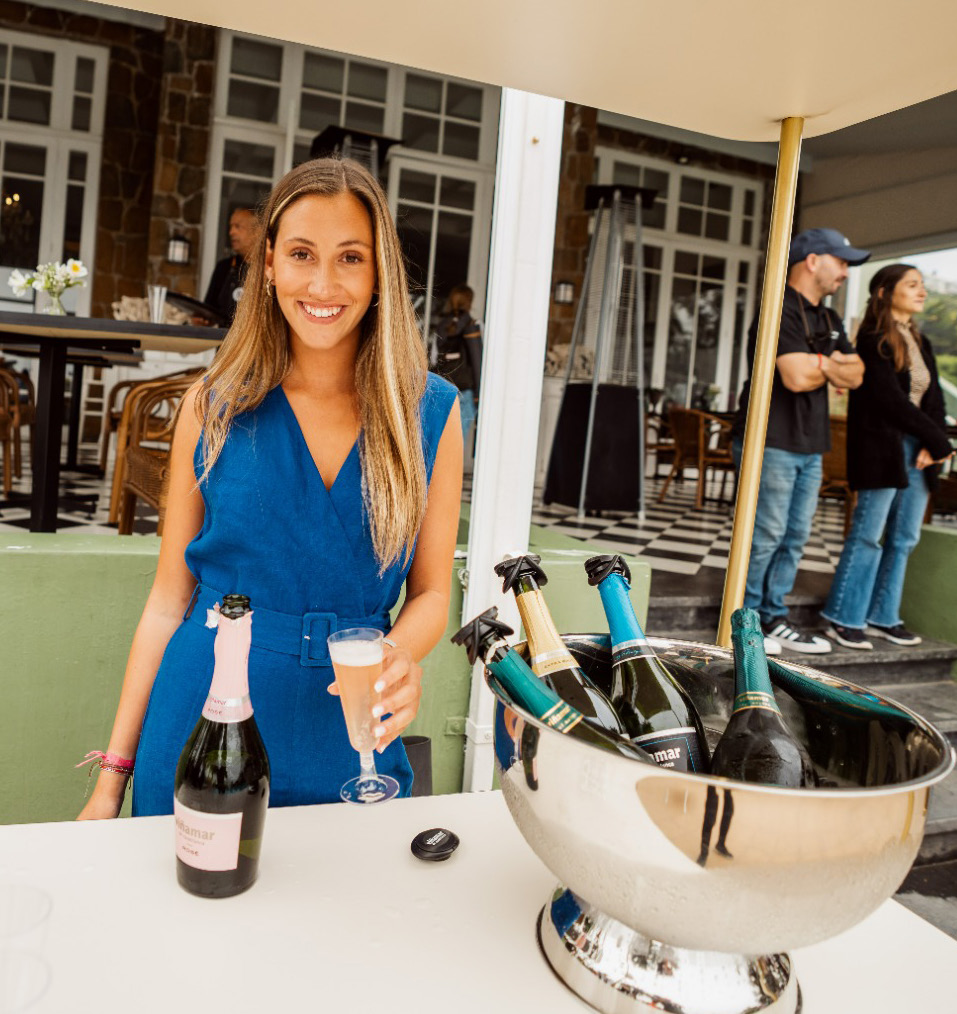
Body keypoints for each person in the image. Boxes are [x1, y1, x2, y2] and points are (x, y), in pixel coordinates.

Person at [78, 158, 462, 819]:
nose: (323, 283)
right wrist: (110, 781)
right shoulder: (211, 406)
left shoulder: (428, 412)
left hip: (350, 740)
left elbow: (431, 593)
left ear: (379, 275)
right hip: (202, 724)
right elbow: (168, 603)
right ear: (269, 268)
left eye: (350, 257)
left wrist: (397, 653)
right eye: (301, 254)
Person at [731, 228, 869, 655]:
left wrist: (818, 364)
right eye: (840, 262)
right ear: (812, 261)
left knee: (795, 537)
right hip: (770, 438)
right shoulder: (779, 308)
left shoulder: (830, 319)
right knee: (766, 534)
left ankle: (773, 616)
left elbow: (858, 374)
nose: (845, 272)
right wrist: (830, 364)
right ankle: (746, 621)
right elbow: (793, 377)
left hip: (811, 444)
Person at [822, 265, 953, 649]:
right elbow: (889, 401)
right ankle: (842, 617)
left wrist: (932, 442)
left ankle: (883, 616)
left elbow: (934, 399)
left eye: (922, 285)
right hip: (883, 449)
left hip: (918, 451)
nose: (922, 292)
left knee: (904, 537)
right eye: (912, 285)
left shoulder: (919, 340)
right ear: (883, 292)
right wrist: (937, 439)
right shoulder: (872, 338)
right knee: (868, 535)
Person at [430, 284, 482, 451]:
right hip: (465, 391)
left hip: (443, 389)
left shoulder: (442, 325)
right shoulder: (472, 325)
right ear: (469, 302)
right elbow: (477, 361)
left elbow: (433, 359)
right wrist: (479, 394)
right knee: (457, 446)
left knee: (440, 443)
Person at [202, 207, 259, 324]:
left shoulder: (270, 268)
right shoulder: (223, 267)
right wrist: (202, 318)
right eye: (231, 227)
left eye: (237, 226)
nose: (231, 232)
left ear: (257, 232)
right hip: (223, 334)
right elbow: (208, 310)